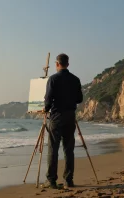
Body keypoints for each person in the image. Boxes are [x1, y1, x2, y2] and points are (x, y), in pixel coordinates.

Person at [42, 53, 83, 189]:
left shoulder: (53, 79)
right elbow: (79, 99)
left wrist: (45, 109)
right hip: (70, 116)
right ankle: (68, 180)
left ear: (57, 64)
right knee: (68, 149)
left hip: (56, 117)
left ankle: (51, 180)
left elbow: (48, 99)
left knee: (53, 149)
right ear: (68, 64)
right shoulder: (75, 79)